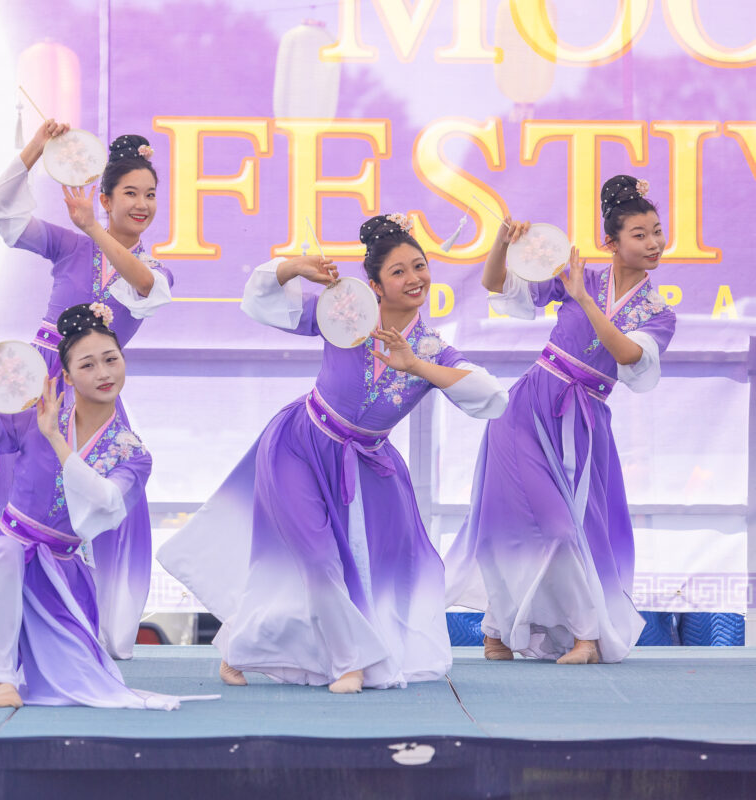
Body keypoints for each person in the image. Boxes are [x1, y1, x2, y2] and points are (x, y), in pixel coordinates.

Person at [159, 214, 508, 692]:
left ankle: (241, 646)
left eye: (420, 266)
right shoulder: (344, 314)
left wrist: (418, 365)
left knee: (354, 567)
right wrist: (297, 266)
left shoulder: (433, 349)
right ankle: (348, 663)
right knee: (316, 558)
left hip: (368, 467)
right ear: (375, 285)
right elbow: (260, 300)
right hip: (299, 446)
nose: (415, 279)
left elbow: (491, 396)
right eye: (399, 271)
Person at [0, 304, 200, 709]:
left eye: (111, 360)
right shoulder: (34, 417)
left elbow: (103, 503)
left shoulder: (133, 454)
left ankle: (20, 666)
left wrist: (56, 440)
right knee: (7, 552)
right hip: (2, 560)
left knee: (83, 686)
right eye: (88, 365)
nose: (103, 373)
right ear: (66, 376)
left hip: (60, 575)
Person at [445, 175, 676, 665]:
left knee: (562, 527)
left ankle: (585, 635)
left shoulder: (657, 311)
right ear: (610, 243)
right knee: (502, 519)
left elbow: (630, 355)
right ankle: (500, 630)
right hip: (528, 406)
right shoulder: (582, 275)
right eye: (640, 234)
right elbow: (496, 285)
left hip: (582, 420)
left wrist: (585, 300)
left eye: (657, 231)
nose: (654, 243)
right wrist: (501, 244)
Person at [0, 123, 175, 658]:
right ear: (105, 198)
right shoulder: (68, 245)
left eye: (150, 195)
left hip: (95, 393)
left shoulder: (153, 268)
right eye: (129, 193)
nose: (142, 204)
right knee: (13, 489)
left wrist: (93, 228)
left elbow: (145, 288)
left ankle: (97, 627)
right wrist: (37, 149)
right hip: (37, 380)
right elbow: (2, 215)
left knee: (109, 503)